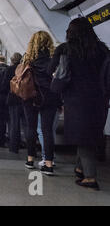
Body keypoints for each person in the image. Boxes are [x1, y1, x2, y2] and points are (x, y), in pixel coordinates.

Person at [49, 17, 109, 190]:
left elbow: (56, 73)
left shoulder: (66, 50)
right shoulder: (103, 50)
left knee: (83, 140)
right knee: (88, 135)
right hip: (99, 101)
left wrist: (56, 86)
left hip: (76, 101)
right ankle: (79, 169)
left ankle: (90, 178)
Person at [22, 31, 62, 175]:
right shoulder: (53, 60)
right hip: (49, 96)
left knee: (31, 127)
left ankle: (30, 159)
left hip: (31, 96)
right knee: (47, 131)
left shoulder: (27, 60)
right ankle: (49, 164)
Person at [6, 53, 25, 154]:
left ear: (12, 60)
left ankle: (14, 147)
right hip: (24, 98)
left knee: (14, 123)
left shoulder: (9, 69)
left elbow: (5, 85)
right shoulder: (24, 69)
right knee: (27, 124)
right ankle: (31, 147)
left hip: (13, 99)